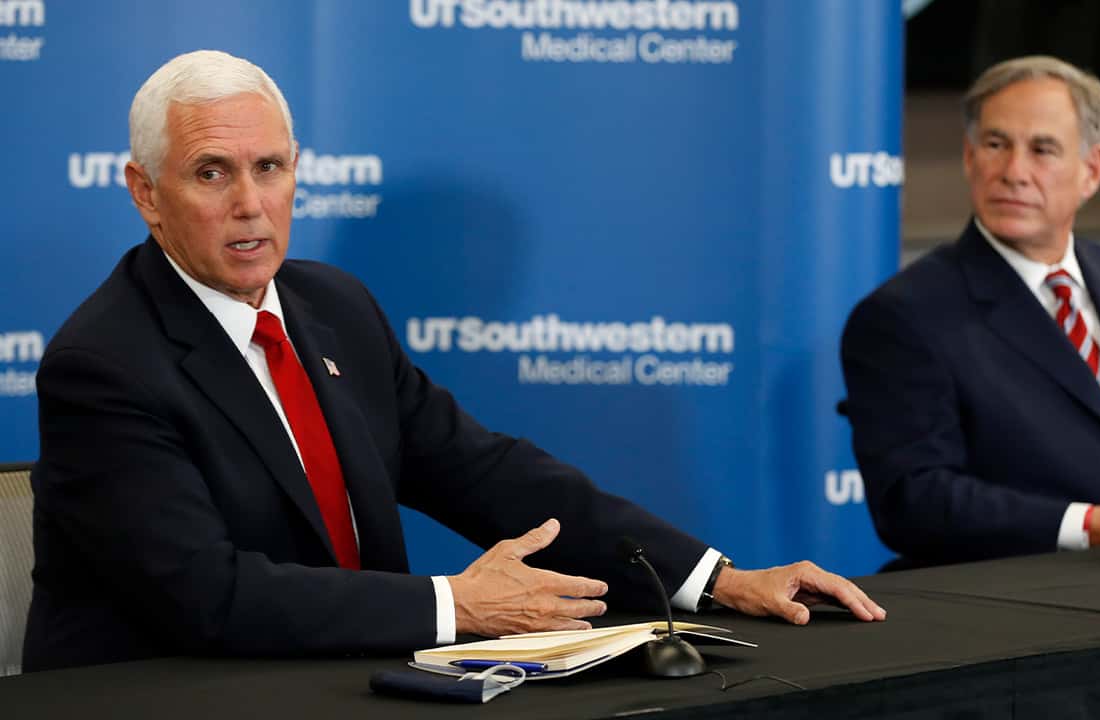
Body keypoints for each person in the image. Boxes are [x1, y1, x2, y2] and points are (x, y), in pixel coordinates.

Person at [25, 50, 884, 672]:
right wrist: (453, 606)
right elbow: (203, 595)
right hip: (165, 691)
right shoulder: (103, 364)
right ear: (145, 193)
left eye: (270, 168)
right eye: (211, 173)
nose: (250, 205)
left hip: (341, 672)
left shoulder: (334, 307)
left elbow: (485, 472)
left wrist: (714, 578)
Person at [840, 55, 1100, 567]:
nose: (1014, 172)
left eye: (1042, 149)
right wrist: (1086, 528)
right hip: (1023, 610)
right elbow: (915, 501)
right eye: (996, 145)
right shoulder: (904, 316)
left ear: (1092, 170)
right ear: (970, 158)